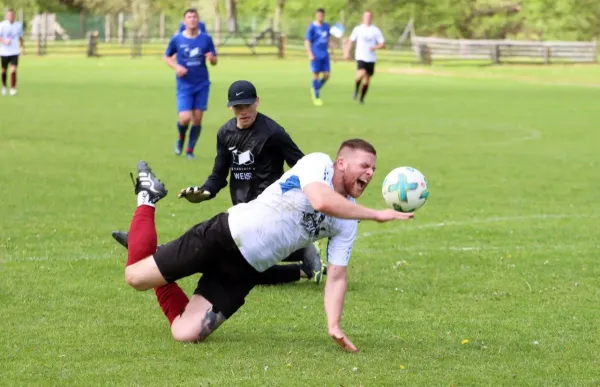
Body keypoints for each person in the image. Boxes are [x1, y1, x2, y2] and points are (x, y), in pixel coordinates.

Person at [121, 139, 414, 352]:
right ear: (341, 163)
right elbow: (321, 200)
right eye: (365, 165)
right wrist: (377, 214)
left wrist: (333, 325)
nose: (371, 173)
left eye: (374, 169)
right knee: (135, 278)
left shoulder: (348, 220)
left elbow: (337, 275)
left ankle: (156, 258)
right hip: (224, 236)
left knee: (186, 333)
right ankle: (148, 197)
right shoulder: (318, 163)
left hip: (245, 271)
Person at [111, 80, 325, 285]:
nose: (244, 111)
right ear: (230, 107)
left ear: (257, 102)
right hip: (242, 212)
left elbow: (305, 165)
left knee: (234, 263)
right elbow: (218, 175)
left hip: (267, 213)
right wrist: (204, 192)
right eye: (238, 106)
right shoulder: (225, 133)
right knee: (237, 266)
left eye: (248, 105)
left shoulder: (273, 133)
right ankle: (304, 262)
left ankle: (156, 252)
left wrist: (301, 199)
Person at [164, 8, 217, 160]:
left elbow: (214, 61)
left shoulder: (206, 38)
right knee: (185, 118)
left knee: (198, 118)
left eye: (195, 17)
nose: (192, 19)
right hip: (184, 85)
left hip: (202, 83)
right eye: (189, 17)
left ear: (198, 20)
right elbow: (167, 57)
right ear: (184, 21)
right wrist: (176, 67)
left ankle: (189, 150)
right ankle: (181, 138)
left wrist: (212, 58)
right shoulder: (177, 39)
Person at [343, 11, 384, 104]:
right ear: (363, 18)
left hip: (371, 58)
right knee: (360, 74)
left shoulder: (375, 30)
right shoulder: (358, 29)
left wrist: (375, 47)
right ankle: (356, 90)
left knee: (367, 80)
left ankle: (361, 98)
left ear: (371, 18)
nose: (367, 18)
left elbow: (382, 44)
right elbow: (350, 41)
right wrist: (346, 52)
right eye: (366, 16)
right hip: (361, 56)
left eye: (369, 16)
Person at [304, 8, 336, 106]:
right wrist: (310, 53)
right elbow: (307, 41)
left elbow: (328, 39)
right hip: (315, 54)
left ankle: (315, 88)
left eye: (322, 15)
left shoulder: (326, 26)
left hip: (325, 55)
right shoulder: (312, 27)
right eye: (318, 15)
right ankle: (316, 97)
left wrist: (333, 52)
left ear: (323, 16)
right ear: (316, 15)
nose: (320, 17)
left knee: (326, 75)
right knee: (316, 75)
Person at [0, 9, 23, 96]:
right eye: (9, 15)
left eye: (12, 15)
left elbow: (20, 37)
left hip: (14, 51)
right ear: (6, 16)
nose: (11, 17)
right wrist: (4, 41)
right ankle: (4, 86)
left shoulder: (18, 25)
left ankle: (13, 88)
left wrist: (22, 47)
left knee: (13, 70)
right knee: (4, 71)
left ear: (14, 16)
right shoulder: (2, 25)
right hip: (4, 52)